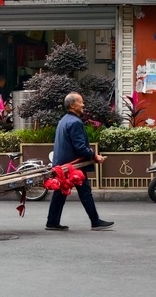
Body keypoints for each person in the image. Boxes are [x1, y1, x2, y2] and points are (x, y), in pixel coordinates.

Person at [46, 92, 114, 231]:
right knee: (85, 192)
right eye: (80, 102)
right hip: (73, 165)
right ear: (72, 105)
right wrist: (95, 156)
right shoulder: (75, 122)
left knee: (61, 192)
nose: (83, 105)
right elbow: (80, 147)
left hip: (63, 164)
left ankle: (52, 222)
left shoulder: (64, 120)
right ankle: (95, 221)